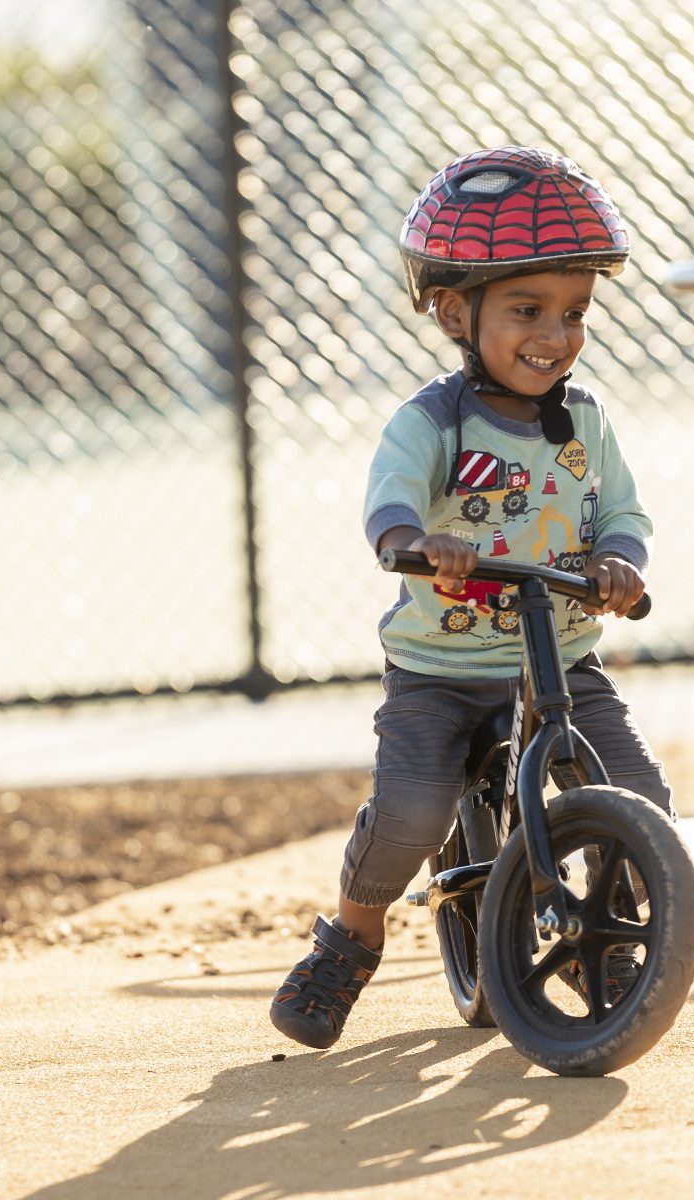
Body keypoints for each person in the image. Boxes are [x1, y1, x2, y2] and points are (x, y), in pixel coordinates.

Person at [269, 146, 673, 1050]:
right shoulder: (434, 422)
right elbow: (391, 503)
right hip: (442, 669)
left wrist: (619, 560)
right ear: (456, 312)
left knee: (642, 796)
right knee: (413, 810)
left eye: (575, 312)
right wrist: (419, 545)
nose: (556, 333)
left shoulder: (584, 420)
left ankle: (598, 932)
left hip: (558, 660)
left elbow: (624, 509)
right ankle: (352, 938)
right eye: (527, 309)